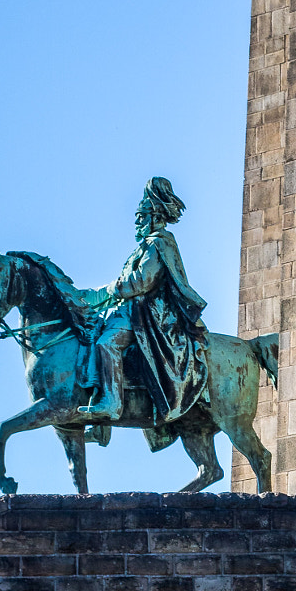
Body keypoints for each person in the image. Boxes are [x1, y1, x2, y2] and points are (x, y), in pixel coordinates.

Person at [78, 177, 210, 427]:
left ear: (154, 217)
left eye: (141, 217)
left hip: (148, 316)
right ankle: (101, 425)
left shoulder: (158, 244)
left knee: (107, 344)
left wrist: (109, 290)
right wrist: (94, 297)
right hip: (130, 311)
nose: (136, 222)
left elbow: (141, 281)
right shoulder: (146, 246)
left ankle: (112, 404)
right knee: (91, 338)